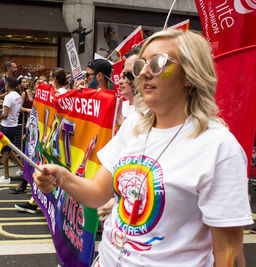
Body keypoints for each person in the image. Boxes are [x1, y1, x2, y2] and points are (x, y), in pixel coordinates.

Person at [33, 30, 253, 266]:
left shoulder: (219, 147)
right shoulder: (134, 126)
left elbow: (229, 252)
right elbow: (98, 192)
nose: (144, 72)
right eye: (141, 65)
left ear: (190, 75)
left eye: (158, 63)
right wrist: (62, 177)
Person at [97, 47, 141, 223]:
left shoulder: (215, 142)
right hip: (117, 235)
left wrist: (118, 201)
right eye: (122, 75)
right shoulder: (131, 116)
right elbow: (96, 189)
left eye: (129, 75)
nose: (122, 80)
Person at [0, 76, 24, 184]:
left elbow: (5, 115)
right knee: (8, 149)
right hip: (13, 125)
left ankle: (6, 177)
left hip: (7, 126)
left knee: (5, 151)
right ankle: (22, 168)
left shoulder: (8, 97)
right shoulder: (18, 96)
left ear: (7, 85)